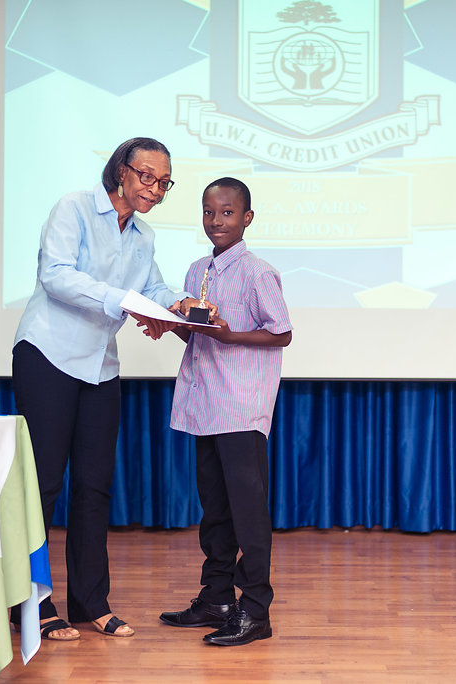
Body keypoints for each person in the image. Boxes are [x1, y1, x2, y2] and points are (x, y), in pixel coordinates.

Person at [11, 137, 199, 640]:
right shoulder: (74, 208)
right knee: (42, 485)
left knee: (94, 487)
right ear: (121, 171)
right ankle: (30, 601)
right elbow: (56, 276)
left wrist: (179, 305)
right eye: (147, 176)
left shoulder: (143, 235)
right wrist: (126, 301)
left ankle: (90, 602)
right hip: (48, 355)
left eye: (164, 182)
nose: (155, 189)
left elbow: (151, 288)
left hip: (100, 365)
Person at [155, 177, 292, 646]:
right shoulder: (198, 269)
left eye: (228, 212)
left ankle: (255, 611)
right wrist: (170, 324)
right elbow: (198, 333)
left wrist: (230, 335)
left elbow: (281, 333)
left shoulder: (258, 273)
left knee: (247, 513)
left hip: (240, 404)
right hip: (205, 402)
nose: (217, 221)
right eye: (209, 212)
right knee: (215, 510)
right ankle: (216, 598)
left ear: (247, 218)